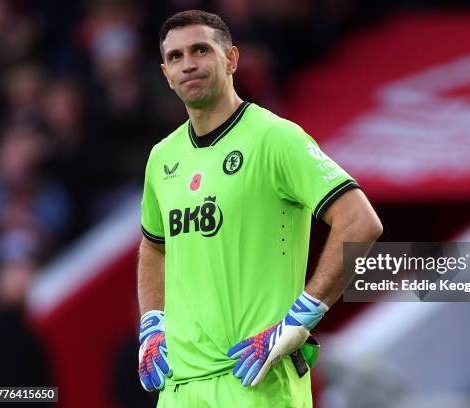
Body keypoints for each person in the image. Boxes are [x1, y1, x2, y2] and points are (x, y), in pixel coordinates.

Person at [137, 10, 382, 407]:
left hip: (255, 379)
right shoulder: (162, 157)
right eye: (176, 57)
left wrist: (303, 316)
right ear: (166, 73)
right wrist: (152, 322)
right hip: (180, 386)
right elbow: (153, 245)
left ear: (231, 59)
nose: (189, 64)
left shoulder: (275, 137)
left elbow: (360, 222)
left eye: (201, 50)